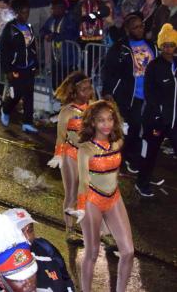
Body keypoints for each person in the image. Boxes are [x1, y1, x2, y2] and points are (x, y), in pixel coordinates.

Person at [74, 100, 134, 292]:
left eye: (109, 119)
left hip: (114, 198)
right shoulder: (85, 149)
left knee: (128, 251)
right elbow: (83, 182)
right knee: (92, 253)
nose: (106, 124)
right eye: (101, 120)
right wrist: (82, 208)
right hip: (91, 201)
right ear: (92, 123)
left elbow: (114, 173)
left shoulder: (117, 142)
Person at [102, 13, 157, 178]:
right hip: (128, 96)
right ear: (127, 29)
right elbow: (109, 71)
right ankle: (127, 158)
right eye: (136, 27)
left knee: (138, 128)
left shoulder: (151, 45)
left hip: (148, 96)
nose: (140, 29)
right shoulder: (120, 48)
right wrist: (108, 92)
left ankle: (130, 158)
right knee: (131, 127)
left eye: (141, 26)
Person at [48, 71, 93, 241]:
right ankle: (70, 230)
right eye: (83, 89)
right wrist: (58, 156)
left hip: (89, 157)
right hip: (71, 155)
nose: (88, 92)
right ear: (74, 92)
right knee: (72, 194)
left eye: (89, 88)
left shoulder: (93, 106)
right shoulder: (67, 112)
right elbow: (61, 137)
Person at [136, 24, 177, 196]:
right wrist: (159, 114)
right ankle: (142, 182)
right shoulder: (154, 66)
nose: (168, 49)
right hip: (156, 120)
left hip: (174, 121)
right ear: (160, 46)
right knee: (150, 153)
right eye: (165, 45)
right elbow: (149, 93)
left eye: (172, 45)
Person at [3, 208, 76, 291]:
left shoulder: (45, 247)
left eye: (30, 230)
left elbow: (66, 279)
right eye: (20, 232)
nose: (27, 237)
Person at [0, 0, 38, 133]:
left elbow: (33, 47)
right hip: (16, 68)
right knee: (16, 94)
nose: (26, 15)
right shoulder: (9, 29)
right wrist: (8, 70)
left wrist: (36, 64)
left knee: (29, 94)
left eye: (27, 12)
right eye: (23, 12)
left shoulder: (29, 27)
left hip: (28, 67)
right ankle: (6, 109)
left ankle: (27, 122)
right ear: (16, 12)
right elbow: (4, 51)